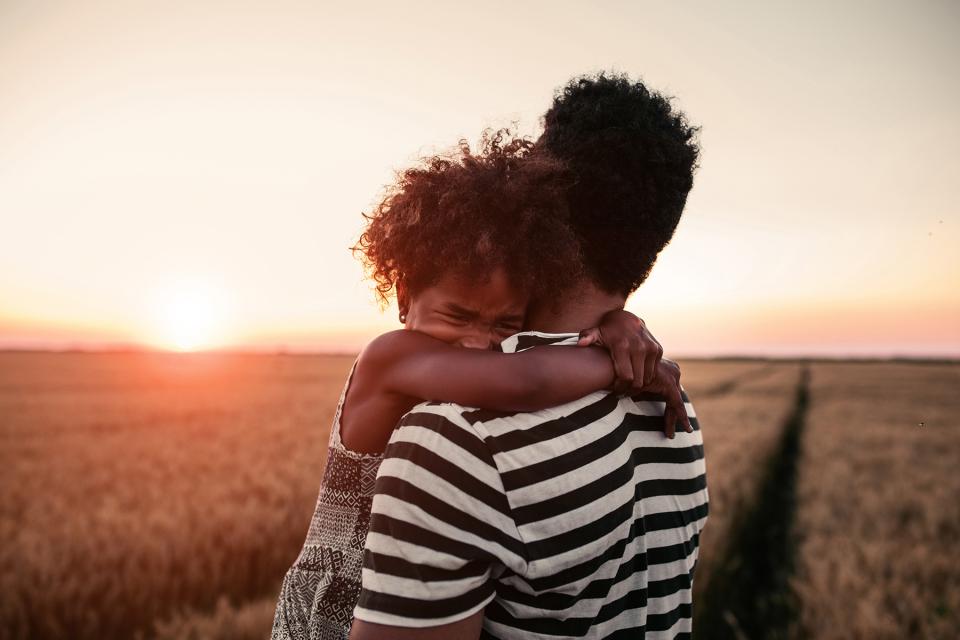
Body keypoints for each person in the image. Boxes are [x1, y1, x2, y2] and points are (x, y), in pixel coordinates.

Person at [271, 130, 689, 640]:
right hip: (334, 605)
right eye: (458, 315)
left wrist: (621, 324)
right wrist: (621, 361)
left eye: (505, 325)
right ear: (404, 296)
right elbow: (529, 380)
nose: (479, 344)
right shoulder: (389, 357)